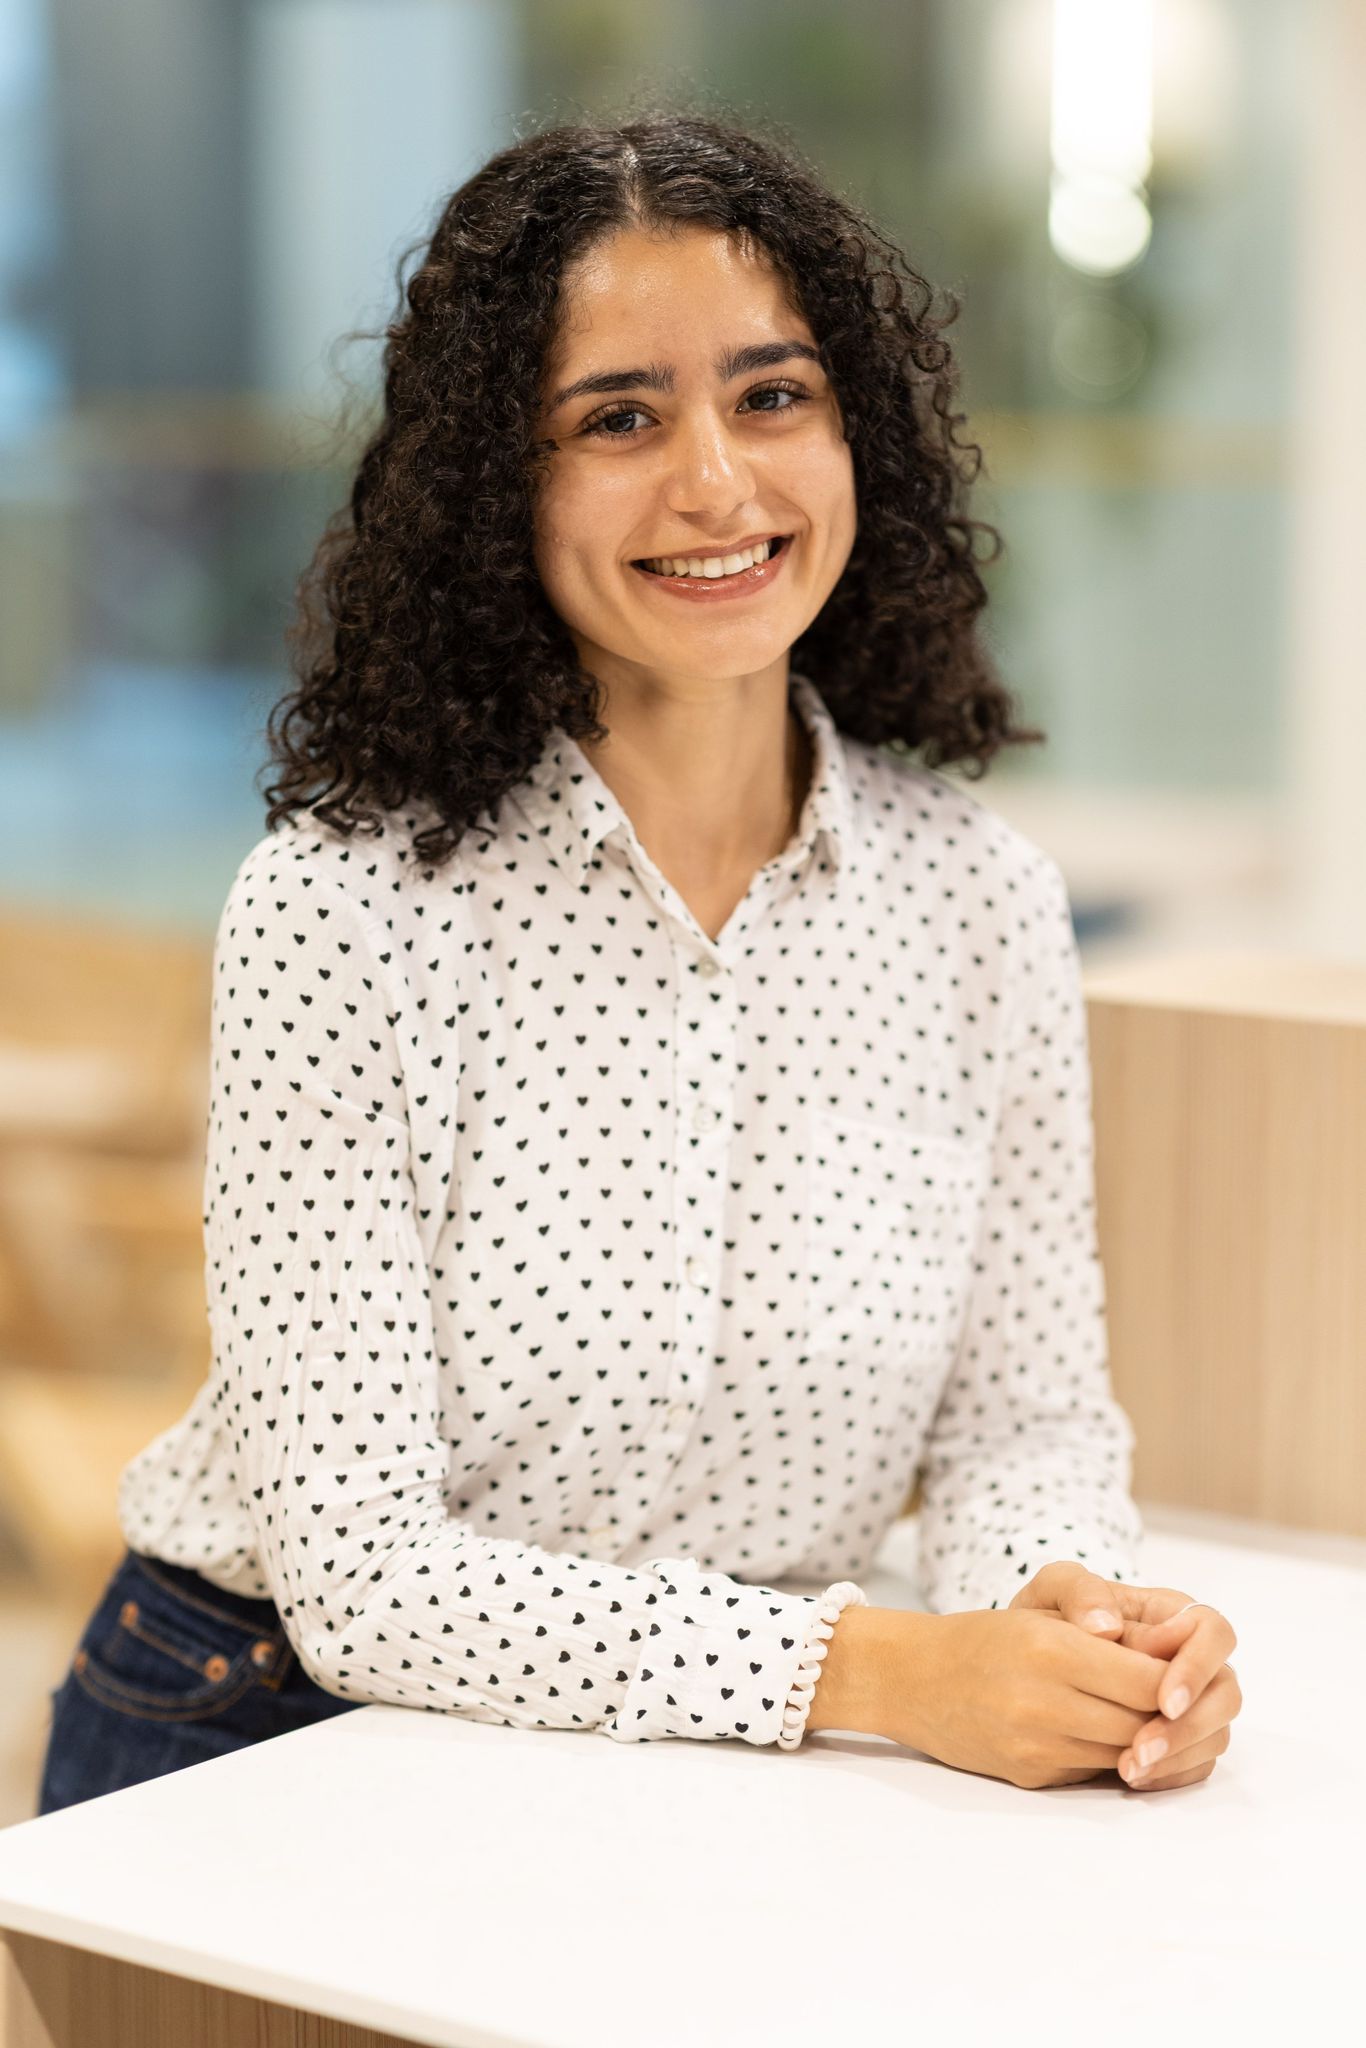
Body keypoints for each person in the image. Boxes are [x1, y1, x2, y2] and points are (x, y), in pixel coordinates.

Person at [37, 108, 1239, 1816]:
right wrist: (881, 1672)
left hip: (727, 1764)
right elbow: (361, 1576)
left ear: (858, 432)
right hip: (272, 1732)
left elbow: (1019, 1426)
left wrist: (1074, 1620)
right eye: (618, 418)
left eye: (773, 395)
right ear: (495, 486)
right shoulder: (341, 912)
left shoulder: (980, 904)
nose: (718, 484)